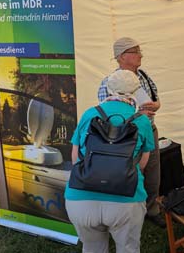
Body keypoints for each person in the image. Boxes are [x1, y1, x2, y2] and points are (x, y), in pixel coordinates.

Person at [65, 70, 155, 253]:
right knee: (128, 249)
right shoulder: (142, 121)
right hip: (126, 199)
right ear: (136, 92)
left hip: (81, 199)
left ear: (108, 89)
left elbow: (75, 157)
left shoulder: (89, 114)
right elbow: (143, 163)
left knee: (92, 248)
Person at [97, 37, 165, 228]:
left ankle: (152, 209)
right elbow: (109, 117)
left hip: (149, 130)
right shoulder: (108, 83)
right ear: (121, 57)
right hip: (126, 136)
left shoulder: (143, 76)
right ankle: (127, 214)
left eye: (139, 50)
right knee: (128, 174)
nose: (140, 54)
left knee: (153, 172)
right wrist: (137, 115)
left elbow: (156, 100)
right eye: (135, 51)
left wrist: (156, 105)